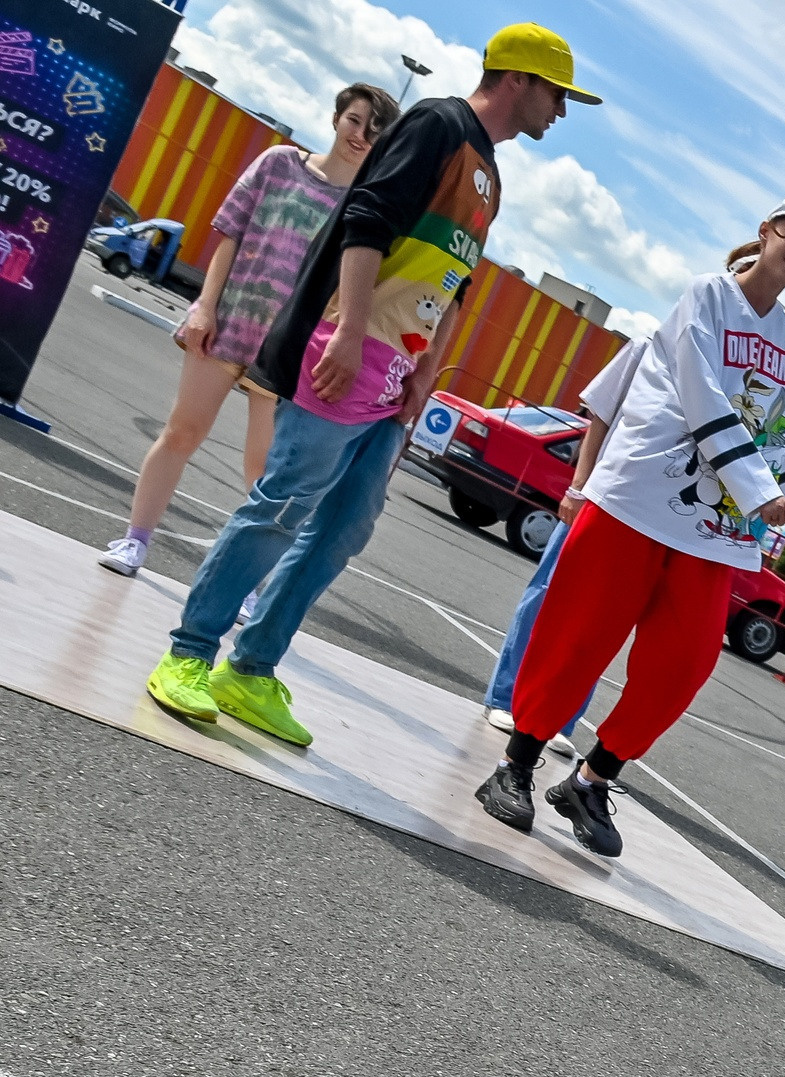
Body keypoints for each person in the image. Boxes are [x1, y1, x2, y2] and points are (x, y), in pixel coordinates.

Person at [139, 24, 597, 746]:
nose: (560, 113)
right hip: (345, 349)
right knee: (283, 505)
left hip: (396, 378)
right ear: (519, 79)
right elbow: (366, 219)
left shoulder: (491, 175)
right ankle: (189, 653)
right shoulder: (438, 124)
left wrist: (425, 375)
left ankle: (250, 667)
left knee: (345, 527)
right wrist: (350, 331)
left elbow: (453, 286)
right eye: (557, 95)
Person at [472, 201, 785, 858]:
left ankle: (591, 778)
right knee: (577, 634)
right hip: (639, 497)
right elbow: (705, 395)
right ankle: (516, 764)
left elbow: (775, 427)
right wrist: (758, 489)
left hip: (712, 526)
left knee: (684, 664)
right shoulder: (706, 295)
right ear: (763, 231)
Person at [97, 83, 397, 578]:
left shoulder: (366, 205)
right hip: (229, 321)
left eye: (375, 130)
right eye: (355, 121)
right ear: (336, 118)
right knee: (181, 433)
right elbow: (230, 234)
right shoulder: (279, 163)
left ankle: (247, 584)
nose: (362, 135)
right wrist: (204, 307)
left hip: (289, 350)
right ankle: (134, 541)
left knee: (265, 472)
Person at [479, 337, 639, 744]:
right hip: (600, 497)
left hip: (645, 519)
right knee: (547, 594)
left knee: (601, 620)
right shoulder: (648, 346)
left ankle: (560, 719)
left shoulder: (720, 367)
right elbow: (599, 416)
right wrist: (578, 486)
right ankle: (505, 698)